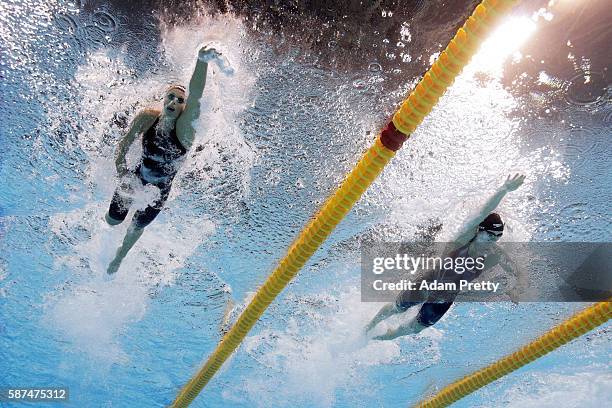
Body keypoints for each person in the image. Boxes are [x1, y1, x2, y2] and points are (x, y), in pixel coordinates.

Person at [105, 44, 222, 274]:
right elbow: (123, 145)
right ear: (163, 98)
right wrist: (122, 173)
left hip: (157, 193)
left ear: (183, 109)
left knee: (136, 227)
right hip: (136, 179)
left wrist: (202, 60)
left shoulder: (184, 132)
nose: (174, 102)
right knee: (112, 221)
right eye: (171, 97)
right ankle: (114, 220)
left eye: (180, 100)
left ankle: (119, 256)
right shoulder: (148, 117)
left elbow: (196, 96)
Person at [365, 174, 526, 340]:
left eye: (498, 236)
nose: (494, 240)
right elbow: (482, 212)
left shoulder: (495, 253)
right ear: (480, 230)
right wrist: (504, 189)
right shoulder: (460, 241)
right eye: (491, 235)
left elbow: (515, 270)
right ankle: (369, 326)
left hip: (444, 299)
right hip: (427, 284)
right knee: (396, 308)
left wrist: (515, 289)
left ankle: (387, 337)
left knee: (415, 329)